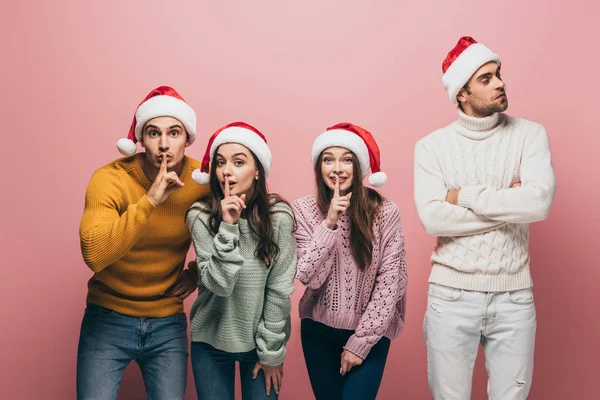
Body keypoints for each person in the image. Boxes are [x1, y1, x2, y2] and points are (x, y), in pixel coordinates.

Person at [414, 36, 557, 399]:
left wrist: (464, 196)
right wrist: (509, 204)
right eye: (486, 78)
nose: (499, 83)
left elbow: (538, 203)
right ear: (462, 93)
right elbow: (433, 219)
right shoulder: (432, 147)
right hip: (450, 295)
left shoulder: (530, 135)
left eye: (498, 74)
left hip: (514, 295)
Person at [77, 86, 208, 399]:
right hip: (107, 317)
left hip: (167, 322)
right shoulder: (110, 179)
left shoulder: (201, 181)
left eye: (174, 133)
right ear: (140, 139)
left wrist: (196, 273)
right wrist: (151, 200)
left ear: (188, 138)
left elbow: (237, 236)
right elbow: (94, 254)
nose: (164, 144)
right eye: (153, 133)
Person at [293, 122, 408, 400]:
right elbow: (309, 276)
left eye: (347, 160)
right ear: (318, 167)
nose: (337, 168)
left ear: (359, 168)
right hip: (319, 331)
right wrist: (330, 222)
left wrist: (360, 343)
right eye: (328, 159)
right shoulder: (303, 210)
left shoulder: (385, 212)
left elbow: (391, 284)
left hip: (370, 333)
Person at [186, 122, 296, 399]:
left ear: (257, 170)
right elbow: (219, 285)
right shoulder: (199, 216)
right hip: (210, 340)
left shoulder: (279, 216)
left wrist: (271, 352)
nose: (227, 170)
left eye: (239, 162)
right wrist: (228, 226)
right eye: (221, 162)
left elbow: (280, 288)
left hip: (260, 346)